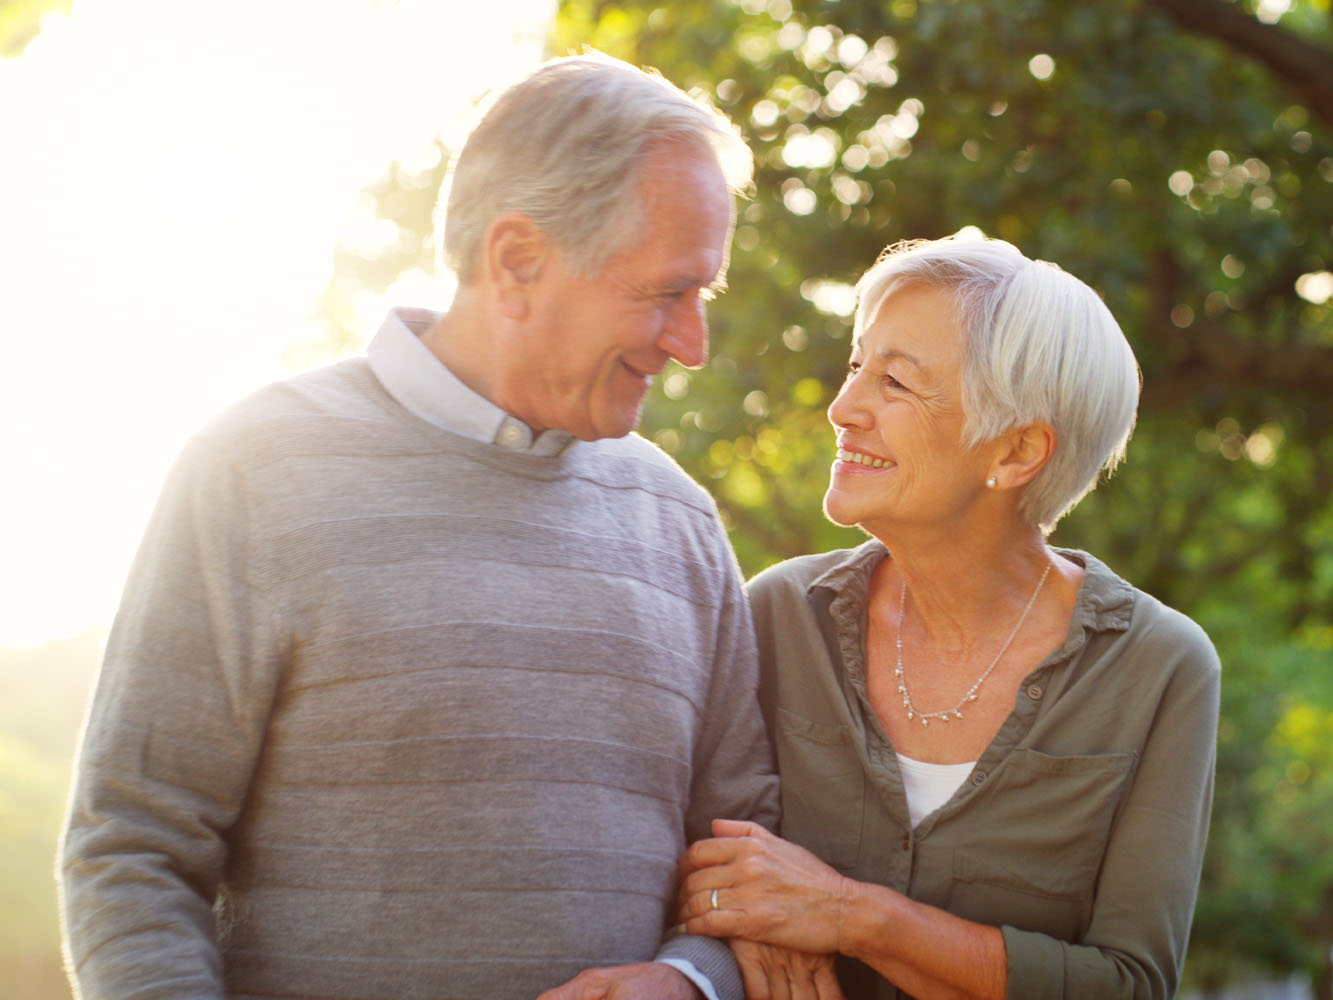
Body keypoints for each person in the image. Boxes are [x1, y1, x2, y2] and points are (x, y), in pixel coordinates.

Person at [58, 53, 778, 1000]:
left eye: (703, 296)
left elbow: (747, 867)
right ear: (518, 261)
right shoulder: (254, 472)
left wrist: (691, 982)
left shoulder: (678, 521)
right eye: (663, 293)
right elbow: (133, 848)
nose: (691, 343)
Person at [678, 234, 1220, 999]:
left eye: (895, 383)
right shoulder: (778, 614)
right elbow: (694, 863)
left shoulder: (1161, 666)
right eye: (856, 366)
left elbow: (1129, 986)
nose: (843, 408)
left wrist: (851, 917)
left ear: (1017, 451)